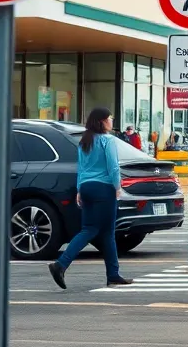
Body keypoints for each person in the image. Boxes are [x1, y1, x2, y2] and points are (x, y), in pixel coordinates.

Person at [48, 108, 134, 289]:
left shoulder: (85, 141)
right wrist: (118, 187)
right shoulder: (107, 140)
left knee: (103, 232)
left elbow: (82, 168)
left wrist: (80, 189)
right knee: (93, 230)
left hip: (87, 187)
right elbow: (113, 166)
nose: (112, 121)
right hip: (104, 188)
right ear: (102, 121)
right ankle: (61, 264)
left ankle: (113, 274)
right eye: (110, 118)